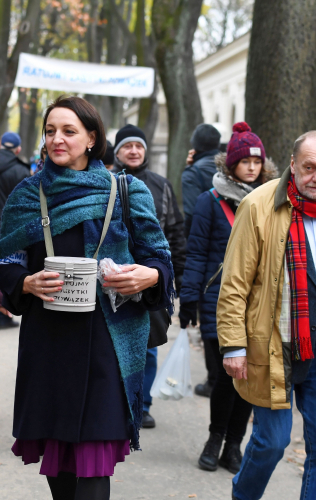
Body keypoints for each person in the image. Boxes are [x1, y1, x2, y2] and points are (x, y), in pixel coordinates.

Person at [0, 96, 174, 500]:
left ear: (92, 138)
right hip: (49, 340)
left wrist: (148, 276)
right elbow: (3, 261)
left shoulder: (127, 190)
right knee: (59, 458)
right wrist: (25, 283)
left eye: (69, 131)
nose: (57, 139)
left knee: (93, 463)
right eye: (50, 130)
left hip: (106, 341)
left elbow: (159, 258)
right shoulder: (27, 194)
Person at [217, 130, 316, 499]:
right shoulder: (258, 206)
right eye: (309, 168)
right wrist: (233, 346)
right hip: (272, 345)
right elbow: (234, 283)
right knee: (272, 441)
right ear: (292, 164)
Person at [178, 122, 277, 473]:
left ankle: (234, 445)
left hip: (259, 304)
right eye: (245, 161)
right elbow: (197, 252)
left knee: (248, 375)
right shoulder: (210, 201)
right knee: (224, 374)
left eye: (256, 162)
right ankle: (214, 437)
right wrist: (188, 298)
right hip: (217, 300)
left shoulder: (270, 201)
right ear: (230, 163)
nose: (252, 167)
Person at [113, 124, 186, 429]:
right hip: (114, 278)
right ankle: (116, 401)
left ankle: (141, 406)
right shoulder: (107, 183)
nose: (133, 151)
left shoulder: (161, 186)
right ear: (117, 151)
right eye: (127, 146)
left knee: (150, 344)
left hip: (151, 279)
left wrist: (175, 277)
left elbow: (175, 231)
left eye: (138, 146)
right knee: (115, 343)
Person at [181, 123, 223, 399]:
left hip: (207, 250)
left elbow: (191, 214)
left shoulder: (193, 172)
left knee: (209, 316)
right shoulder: (229, 167)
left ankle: (212, 380)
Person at [0, 131, 31, 329]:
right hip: (8, 227)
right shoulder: (21, 170)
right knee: (7, 267)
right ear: (17, 149)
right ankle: (4, 314)